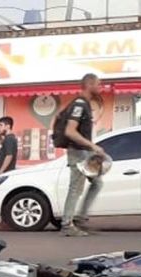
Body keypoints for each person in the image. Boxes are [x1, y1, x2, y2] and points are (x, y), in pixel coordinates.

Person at [58, 74, 106, 237]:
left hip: (83, 151)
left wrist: (91, 149)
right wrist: (92, 146)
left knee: (97, 183)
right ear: (89, 84)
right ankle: (67, 224)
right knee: (75, 189)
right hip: (77, 151)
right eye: (99, 84)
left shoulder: (84, 104)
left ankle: (79, 219)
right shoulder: (79, 104)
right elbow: (70, 131)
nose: (101, 87)